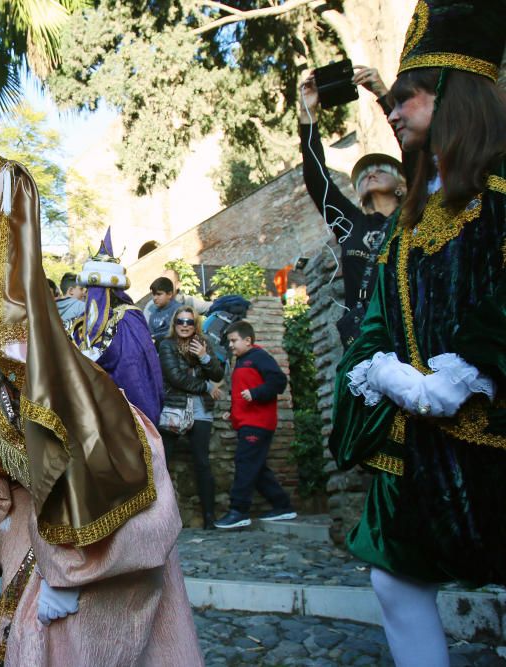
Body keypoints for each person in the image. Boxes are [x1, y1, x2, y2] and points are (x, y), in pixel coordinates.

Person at [0, 144, 203, 665]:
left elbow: (117, 478)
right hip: (29, 555)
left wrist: (69, 572)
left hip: (87, 571)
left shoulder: (45, 385)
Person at [330, 3, 506, 664]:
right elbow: (379, 316)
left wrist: (465, 373)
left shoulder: (501, 196)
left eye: (408, 98)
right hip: (419, 442)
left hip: (493, 431)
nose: (394, 113)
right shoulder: (406, 226)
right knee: (393, 575)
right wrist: (374, 370)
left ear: (454, 95)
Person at [298, 65, 406, 348]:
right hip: (369, 341)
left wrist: (383, 94)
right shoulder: (350, 223)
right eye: (363, 174)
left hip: (414, 328)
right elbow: (316, 178)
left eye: (382, 168)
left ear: (403, 185)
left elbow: (416, 150)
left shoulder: (414, 216)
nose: (370, 172)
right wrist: (307, 114)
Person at [68, 231, 164, 426]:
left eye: (96, 290)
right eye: (88, 289)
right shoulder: (79, 325)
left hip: (124, 416)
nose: (90, 295)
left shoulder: (128, 318)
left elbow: (135, 372)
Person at [214, 320, 295, 529]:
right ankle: (282, 505)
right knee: (255, 467)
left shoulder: (259, 357)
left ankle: (238, 511)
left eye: (233, 341)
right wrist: (231, 413)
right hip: (247, 423)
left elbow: (278, 382)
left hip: (258, 423)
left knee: (245, 463)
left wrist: (256, 393)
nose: (230, 345)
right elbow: (243, 393)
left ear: (248, 340)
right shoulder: (241, 361)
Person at [157, 305, 224, 529]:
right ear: (174, 324)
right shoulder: (166, 345)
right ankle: (159, 520)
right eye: (180, 322)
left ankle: (209, 518)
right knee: (163, 463)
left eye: (189, 322)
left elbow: (218, 373)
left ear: (195, 325)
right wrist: (206, 385)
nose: (184, 326)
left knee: (203, 463)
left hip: (200, 411)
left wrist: (204, 357)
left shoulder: (203, 345)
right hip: (175, 408)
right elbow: (175, 378)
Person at [145, 276, 177, 342]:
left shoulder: (179, 310)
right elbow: (149, 335)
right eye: (153, 294)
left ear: (170, 294)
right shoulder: (153, 314)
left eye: (159, 294)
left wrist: (157, 336)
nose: (155, 298)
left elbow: (178, 332)